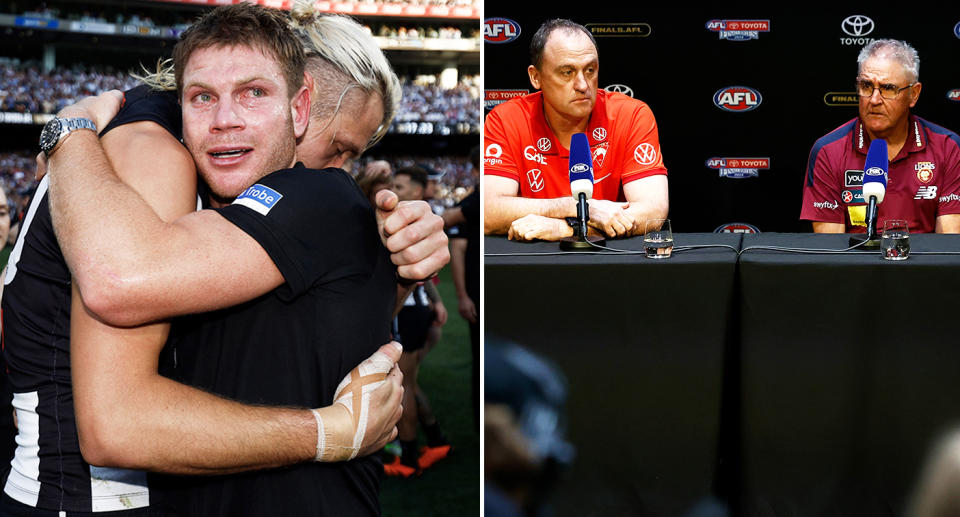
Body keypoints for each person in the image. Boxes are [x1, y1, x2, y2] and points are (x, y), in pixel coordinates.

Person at [2, 5, 445, 516]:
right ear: (301, 103)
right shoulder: (152, 150)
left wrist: (394, 261)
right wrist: (68, 134)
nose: (338, 172)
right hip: (90, 498)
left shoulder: (184, 154)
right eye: (341, 147)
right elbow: (117, 297)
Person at [483, 18, 669, 242]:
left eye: (590, 70)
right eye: (567, 73)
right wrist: (576, 208)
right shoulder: (505, 119)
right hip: (533, 265)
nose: (583, 85)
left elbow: (653, 212)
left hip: (609, 263)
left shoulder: (632, 114)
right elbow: (488, 212)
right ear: (536, 76)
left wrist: (567, 230)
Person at [800, 39, 960, 234]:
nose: (874, 99)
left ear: (914, 94)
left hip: (924, 263)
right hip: (855, 264)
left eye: (888, 88)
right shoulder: (828, 151)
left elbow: (948, 247)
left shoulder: (948, 147)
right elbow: (832, 252)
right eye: (866, 86)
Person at [385, 166, 452, 478]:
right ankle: (437, 439)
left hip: (408, 312)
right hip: (418, 308)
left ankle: (409, 459)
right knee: (411, 380)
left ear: (415, 190)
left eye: (399, 184)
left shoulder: (406, 221)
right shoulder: (416, 220)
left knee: (404, 385)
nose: (393, 189)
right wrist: (436, 304)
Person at [444, 145, 480, 431]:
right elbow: (457, 248)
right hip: (479, 292)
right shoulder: (474, 202)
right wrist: (463, 296)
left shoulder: (476, 201)